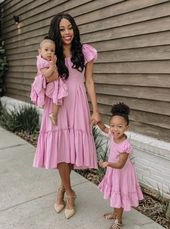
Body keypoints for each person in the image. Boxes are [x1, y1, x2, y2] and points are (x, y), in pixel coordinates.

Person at [32, 13, 100, 219]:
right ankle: (70, 193)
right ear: (56, 32)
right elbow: (47, 76)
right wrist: (52, 62)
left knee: (73, 148)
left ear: (74, 28)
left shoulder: (86, 51)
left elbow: (89, 82)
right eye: (62, 29)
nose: (67, 32)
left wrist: (96, 110)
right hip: (58, 103)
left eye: (69, 27)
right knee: (62, 148)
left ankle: (62, 187)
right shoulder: (51, 53)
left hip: (78, 102)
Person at [97, 102, 143, 229]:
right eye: (112, 125)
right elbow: (104, 129)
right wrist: (98, 122)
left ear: (126, 127)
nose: (115, 129)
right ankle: (115, 213)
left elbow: (120, 165)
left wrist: (108, 164)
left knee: (119, 195)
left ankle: (119, 220)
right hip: (113, 171)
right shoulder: (112, 134)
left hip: (121, 173)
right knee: (114, 193)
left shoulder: (125, 145)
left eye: (119, 126)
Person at [30, 37, 68, 125]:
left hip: (54, 83)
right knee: (57, 95)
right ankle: (53, 114)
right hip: (48, 84)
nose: (49, 52)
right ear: (40, 51)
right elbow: (46, 74)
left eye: (52, 50)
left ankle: (53, 114)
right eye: (46, 50)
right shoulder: (41, 62)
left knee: (58, 96)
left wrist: (53, 66)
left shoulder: (50, 61)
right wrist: (52, 66)